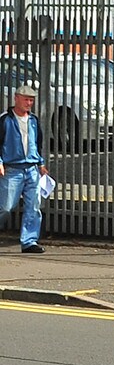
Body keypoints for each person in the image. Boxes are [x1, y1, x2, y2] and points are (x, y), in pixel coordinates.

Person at [1, 82, 47, 254]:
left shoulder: (33, 120)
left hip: (32, 168)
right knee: (6, 206)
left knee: (33, 206)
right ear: (16, 99)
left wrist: (41, 163)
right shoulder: (5, 119)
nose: (29, 103)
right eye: (26, 100)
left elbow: (37, 143)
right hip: (12, 168)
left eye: (31, 101)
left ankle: (29, 241)